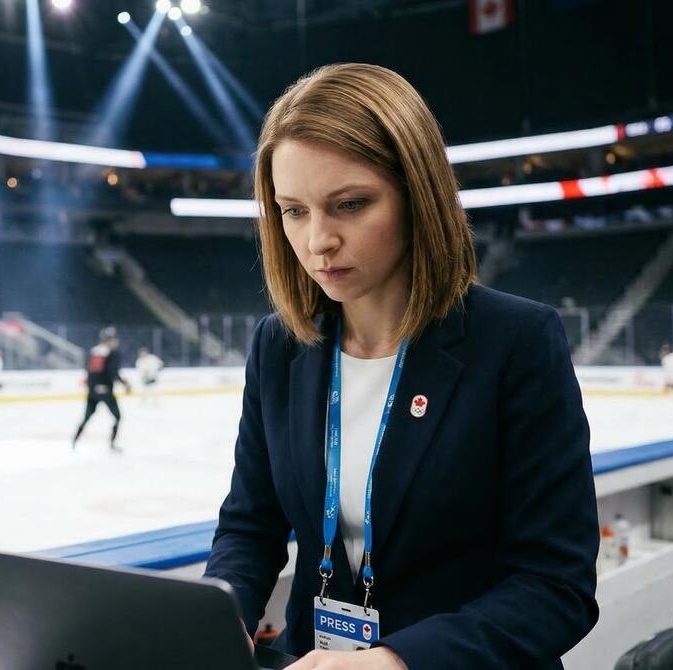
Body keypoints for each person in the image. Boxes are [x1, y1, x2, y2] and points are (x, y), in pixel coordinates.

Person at [203, 64, 599, 670]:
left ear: (419, 196)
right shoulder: (278, 347)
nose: (317, 242)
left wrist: (394, 662)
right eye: (293, 211)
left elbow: (555, 586)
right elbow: (249, 528)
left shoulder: (518, 341)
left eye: (350, 205)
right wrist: (214, 622)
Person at [72, 326, 131, 452]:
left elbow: (88, 370)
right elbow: (112, 372)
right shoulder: (112, 353)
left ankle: (74, 441)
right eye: (114, 339)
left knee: (86, 417)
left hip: (92, 391)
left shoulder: (94, 351)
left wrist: (91, 386)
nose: (116, 342)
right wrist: (124, 384)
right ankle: (112, 445)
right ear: (109, 340)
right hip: (106, 391)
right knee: (118, 417)